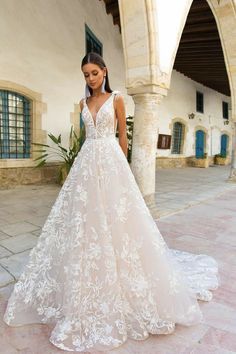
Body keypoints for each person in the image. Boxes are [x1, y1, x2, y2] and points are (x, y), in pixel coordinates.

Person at [3, 52, 218, 352]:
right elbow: (84, 137)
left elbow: (122, 139)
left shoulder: (117, 98)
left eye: (94, 73)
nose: (90, 79)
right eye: (85, 75)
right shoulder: (82, 104)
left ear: (104, 71)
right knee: (84, 221)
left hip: (111, 162)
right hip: (87, 162)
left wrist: (123, 171)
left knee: (117, 219)